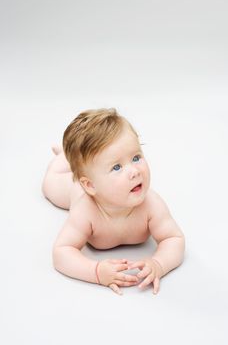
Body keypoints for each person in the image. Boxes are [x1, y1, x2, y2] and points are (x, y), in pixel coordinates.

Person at [42, 108, 185, 295]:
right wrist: (96, 272)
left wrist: (159, 263)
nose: (134, 171)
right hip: (74, 188)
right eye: (117, 167)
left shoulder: (151, 204)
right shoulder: (86, 210)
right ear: (90, 185)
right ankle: (65, 158)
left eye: (136, 157)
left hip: (88, 177)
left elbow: (174, 239)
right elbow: (61, 252)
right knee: (50, 183)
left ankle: (78, 160)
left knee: (84, 164)